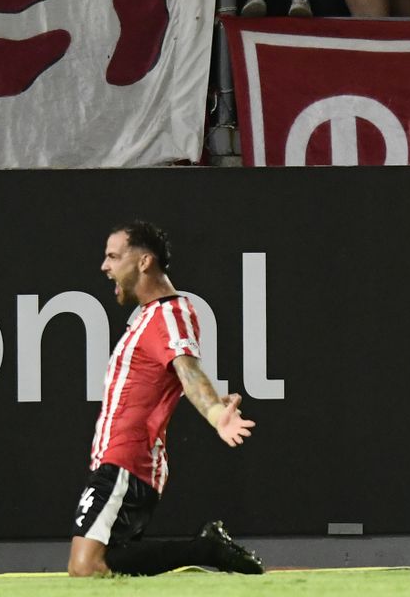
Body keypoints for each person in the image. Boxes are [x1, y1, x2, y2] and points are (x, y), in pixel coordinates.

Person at [68, 222, 264, 577]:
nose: (104, 266)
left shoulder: (168, 312)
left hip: (126, 461)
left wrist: (217, 412)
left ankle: (205, 549)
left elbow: (188, 371)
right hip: (118, 461)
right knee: (110, 563)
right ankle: (204, 551)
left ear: (144, 262)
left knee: (86, 566)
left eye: (113, 256)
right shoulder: (149, 315)